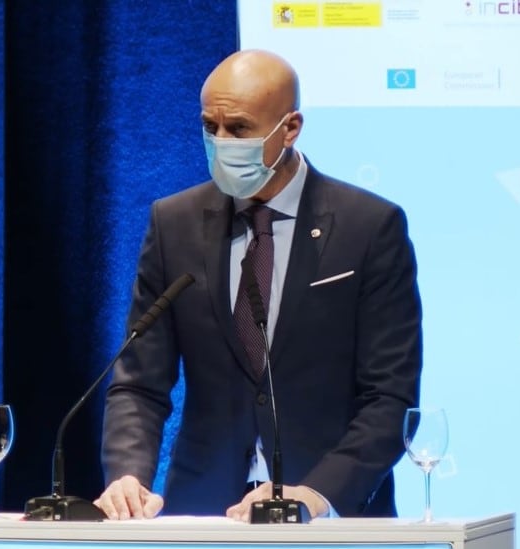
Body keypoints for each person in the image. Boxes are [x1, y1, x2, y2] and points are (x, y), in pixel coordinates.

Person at [94, 48, 422, 520]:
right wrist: (128, 475)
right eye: (211, 127)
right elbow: (140, 382)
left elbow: (389, 397)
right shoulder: (174, 223)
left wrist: (316, 495)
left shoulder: (369, 227)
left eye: (240, 129)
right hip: (203, 513)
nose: (222, 141)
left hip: (329, 521)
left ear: (289, 128)